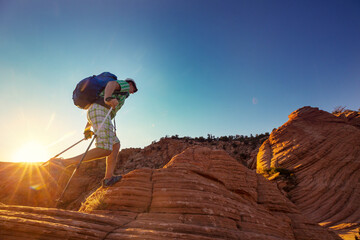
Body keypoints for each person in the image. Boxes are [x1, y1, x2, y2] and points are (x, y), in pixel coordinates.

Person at [50, 77, 138, 187]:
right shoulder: (124, 85)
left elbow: (95, 108)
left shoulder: (121, 94)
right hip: (101, 111)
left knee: (116, 144)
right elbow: (111, 83)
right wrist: (108, 98)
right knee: (105, 149)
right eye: (134, 88)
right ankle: (63, 162)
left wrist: (87, 129)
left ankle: (108, 178)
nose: (134, 91)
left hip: (99, 112)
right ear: (131, 84)